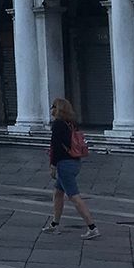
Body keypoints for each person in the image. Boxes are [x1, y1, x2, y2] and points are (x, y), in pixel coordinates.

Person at [41, 98, 99, 239]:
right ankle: (54, 224)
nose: (51, 109)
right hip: (75, 161)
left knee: (74, 196)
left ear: (58, 109)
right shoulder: (72, 124)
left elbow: (56, 147)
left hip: (64, 164)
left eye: (53, 107)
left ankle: (92, 227)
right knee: (58, 193)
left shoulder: (58, 124)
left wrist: (53, 165)